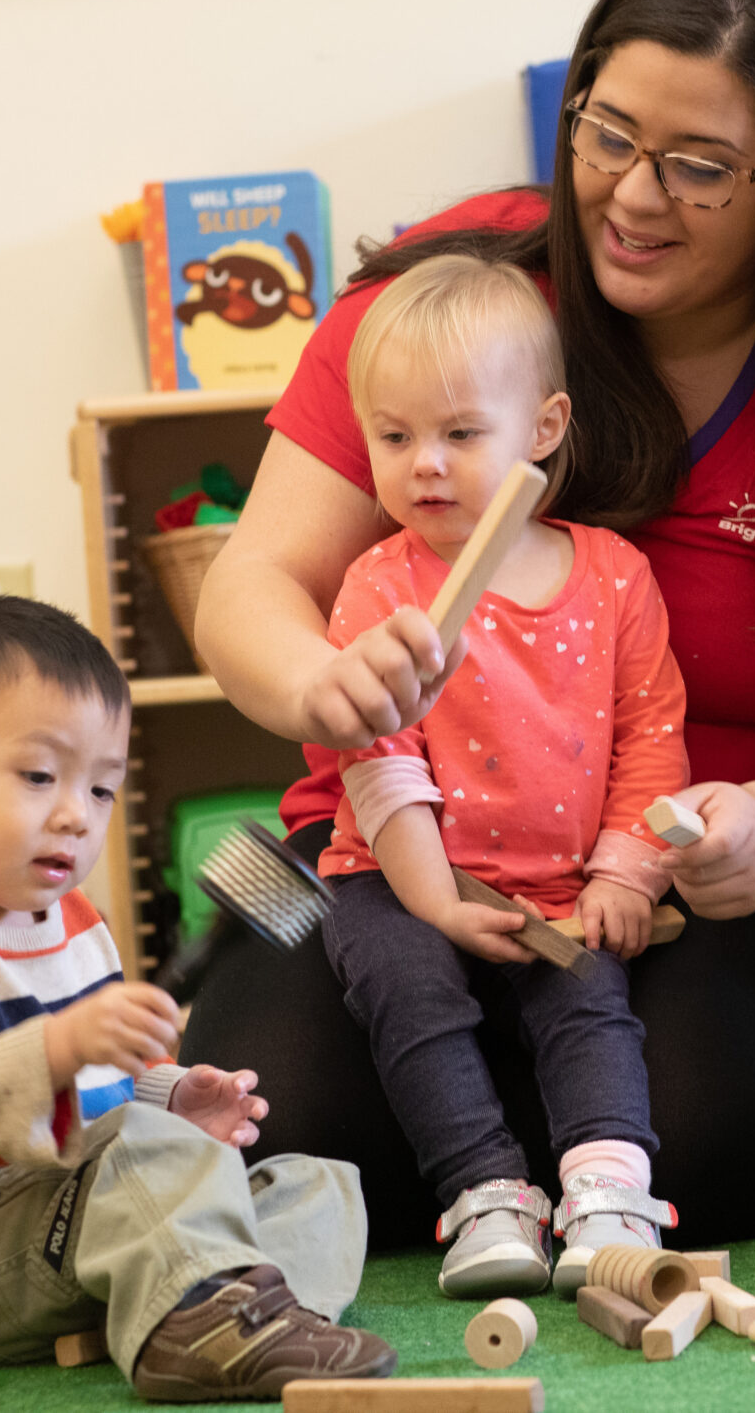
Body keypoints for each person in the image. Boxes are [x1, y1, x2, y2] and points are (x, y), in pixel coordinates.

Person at [184, 0, 755, 1245]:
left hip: (717, 873)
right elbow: (255, 583)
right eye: (606, 135)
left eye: (698, 167)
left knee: (695, 1140)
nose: (631, 197)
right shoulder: (448, 299)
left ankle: (522, 1134)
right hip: (370, 850)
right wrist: (316, 680)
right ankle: (481, 1112)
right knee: (269, 1115)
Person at [0, 597, 395, 1402]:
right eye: (40, 776)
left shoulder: (75, 923)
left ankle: (241, 1308)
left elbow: (108, 1088)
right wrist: (64, 1046)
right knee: (143, 1152)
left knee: (317, 1180)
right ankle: (197, 1318)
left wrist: (170, 1089)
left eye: (101, 790)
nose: (73, 816)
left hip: (78, 1212)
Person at [316, 253, 688, 1297]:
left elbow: (652, 741)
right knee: (407, 987)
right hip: (401, 875)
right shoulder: (377, 583)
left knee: (589, 1003)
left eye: (459, 434)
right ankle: (483, 1192)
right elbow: (377, 760)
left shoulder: (615, 578)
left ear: (545, 429)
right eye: (394, 438)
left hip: (560, 883)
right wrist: (433, 901)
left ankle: (609, 1190)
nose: (424, 465)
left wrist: (626, 874)